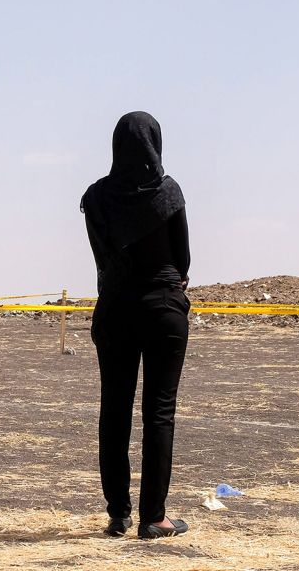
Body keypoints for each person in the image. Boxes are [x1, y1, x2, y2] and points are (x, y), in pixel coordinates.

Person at [81, 111, 191, 540]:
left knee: (115, 410)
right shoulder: (167, 192)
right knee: (158, 412)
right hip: (162, 306)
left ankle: (118, 514)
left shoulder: (96, 197)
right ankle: (154, 517)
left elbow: (102, 257)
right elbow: (182, 259)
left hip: (115, 309)